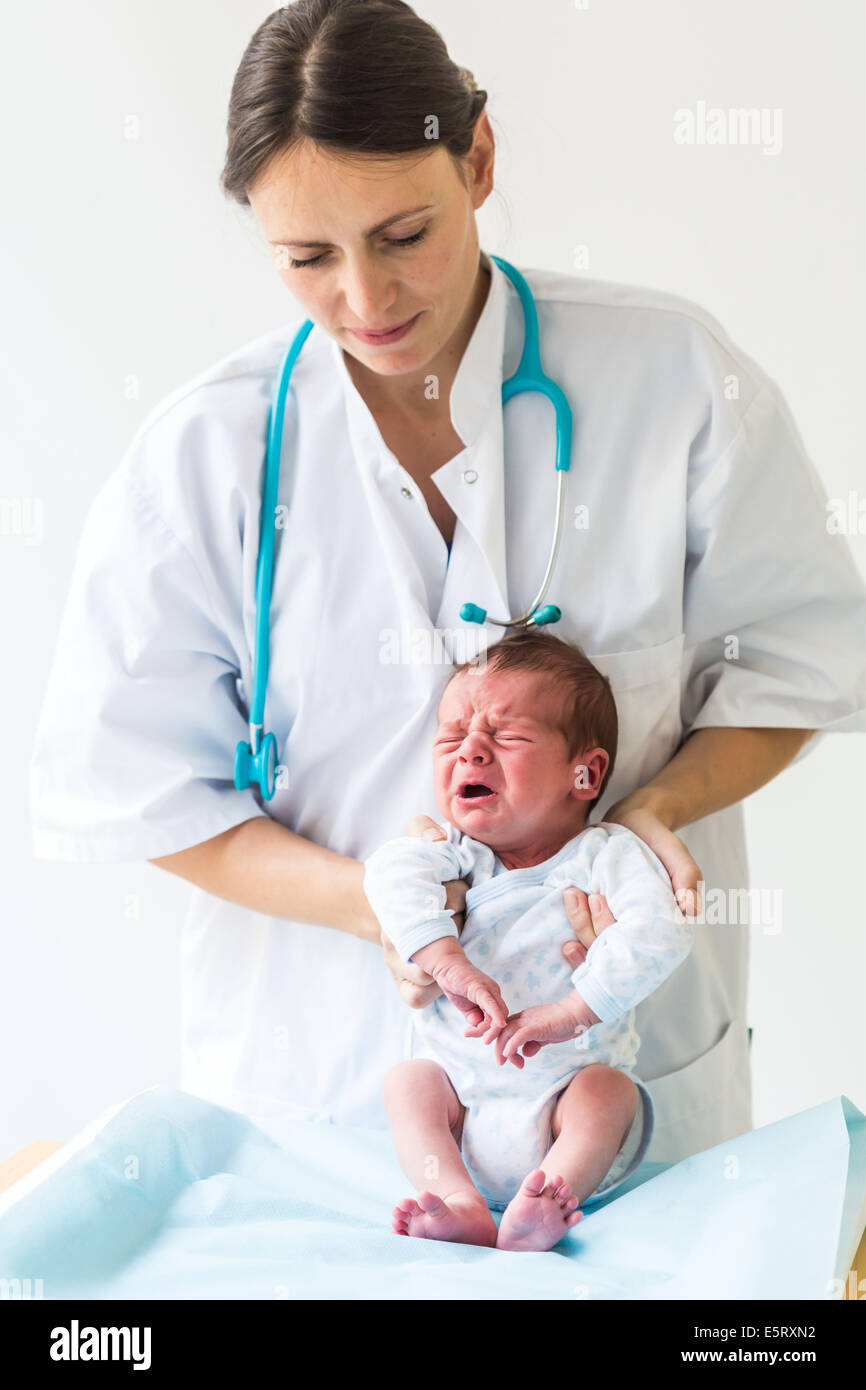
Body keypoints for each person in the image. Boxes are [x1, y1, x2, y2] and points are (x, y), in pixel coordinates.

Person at [29, 0, 866, 1165]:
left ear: (476, 158)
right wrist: (381, 906)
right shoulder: (201, 457)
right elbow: (146, 790)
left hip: (611, 1084)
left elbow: (794, 663)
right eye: (306, 257)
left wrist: (645, 816)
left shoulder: (668, 381)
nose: (366, 300)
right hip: (313, 1095)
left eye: (402, 231)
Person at [364, 632, 694, 1252]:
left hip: (564, 1101)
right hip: (460, 1103)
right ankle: (460, 1200)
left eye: (507, 736)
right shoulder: (452, 855)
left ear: (585, 772)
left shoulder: (606, 856)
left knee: (609, 1092)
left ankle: (545, 1202)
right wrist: (447, 963)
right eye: (452, 736)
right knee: (407, 1083)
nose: (471, 752)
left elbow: (662, 933)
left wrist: (571, 1013)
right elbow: (387, 876)